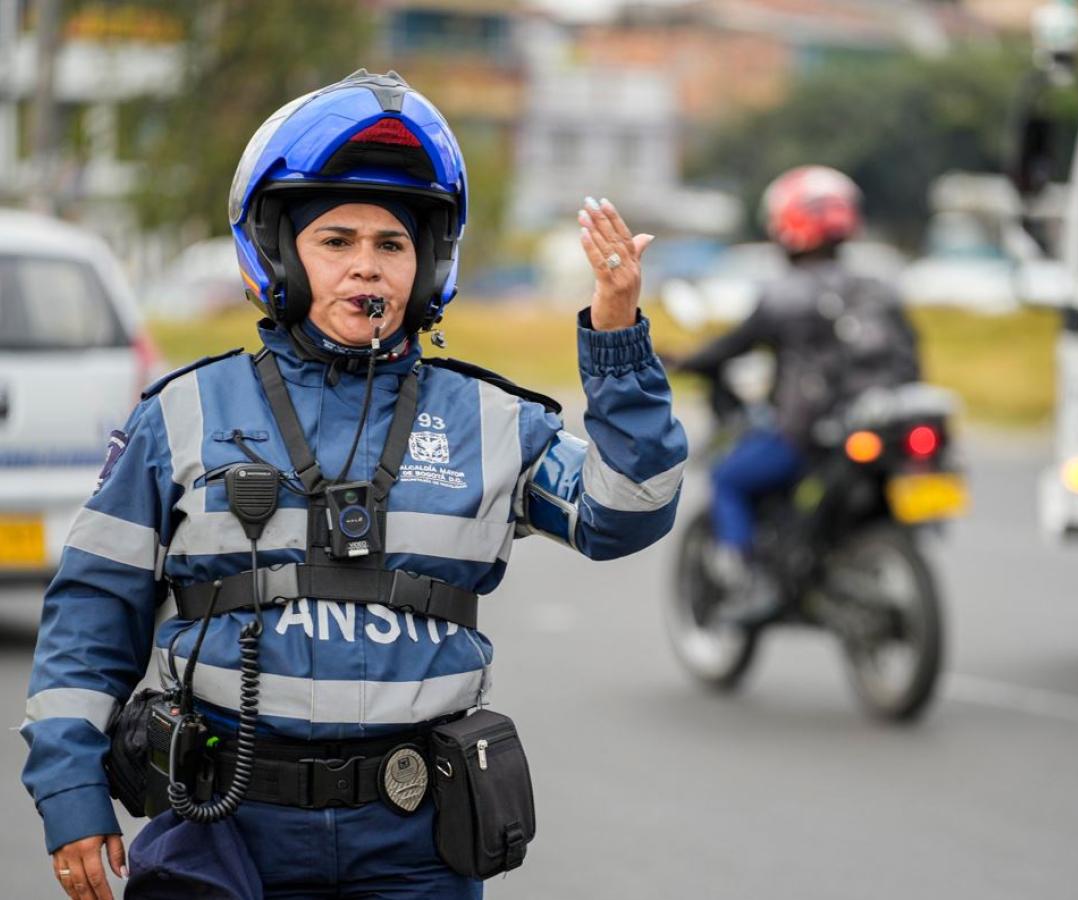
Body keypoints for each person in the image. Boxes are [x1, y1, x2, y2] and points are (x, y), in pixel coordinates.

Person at [21, 70, 687, 900]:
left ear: (429, 260)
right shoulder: (183, 412)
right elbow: (90, 616)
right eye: (336, 241)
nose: (366, 269)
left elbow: (631, 510)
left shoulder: (491, 418)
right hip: (221, 828)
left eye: (391, 245)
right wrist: (72, 794)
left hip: (417, 841)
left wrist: (618, 338)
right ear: (277, 252)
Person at [674, 166, 917, 613]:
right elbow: (912, 356)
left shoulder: (784, 295)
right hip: (889, 422)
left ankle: (746, 581)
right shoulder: (879, 287)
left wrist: (680, 359)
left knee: (728, 477)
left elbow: (729, 347)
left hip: (813, 430)